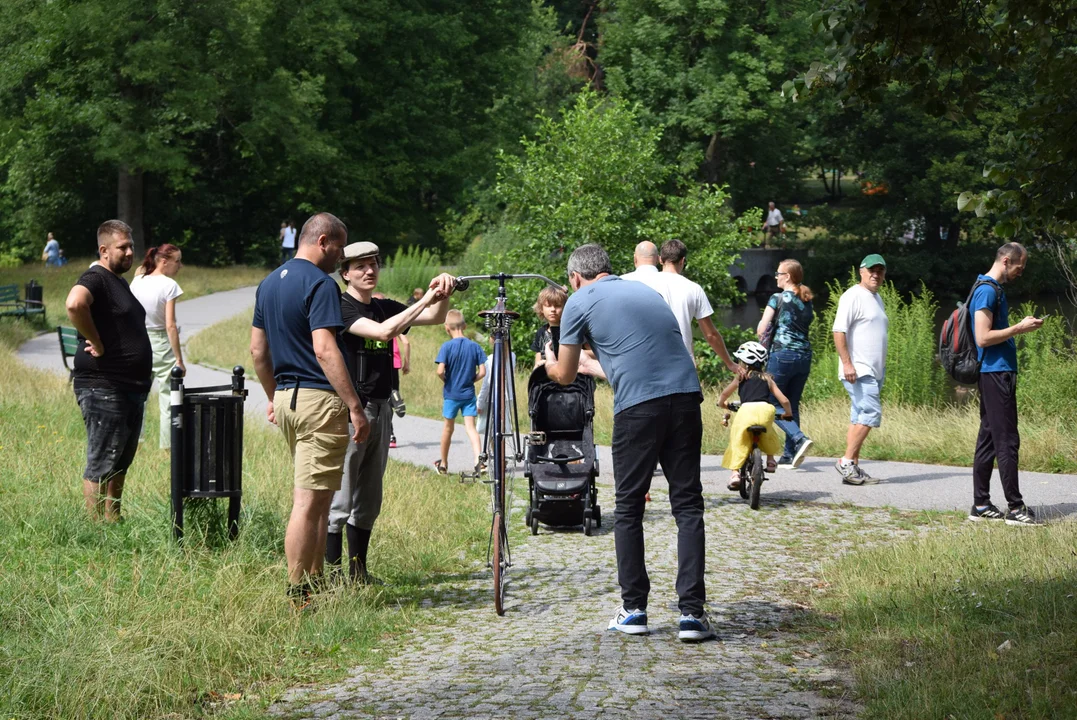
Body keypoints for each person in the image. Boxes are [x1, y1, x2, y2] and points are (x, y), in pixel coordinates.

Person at [544, 244, 715, 642]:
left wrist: (551, 363)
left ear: (574, 277)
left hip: (638, 410)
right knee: (687, 504)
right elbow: (640, 357)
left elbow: (566, 376)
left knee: (628, 507)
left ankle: (634, 609)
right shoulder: (647, 291)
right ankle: (691, 614)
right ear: (609, 269)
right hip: (686, 398)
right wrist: (597, 365)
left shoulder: (579, 300)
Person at [250, 212, 370, 607]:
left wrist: (273, 397)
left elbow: (258, 351)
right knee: (307, 502)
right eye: (339, 247)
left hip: (286, 398)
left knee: (319, 500)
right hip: (319, 400)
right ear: (322, 241)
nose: (341, 257)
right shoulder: (320, 284)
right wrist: (354, 405)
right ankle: (298, 592)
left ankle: (315, 584)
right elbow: (324, 348)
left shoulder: (268, 283)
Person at [326, 243, 454, 583]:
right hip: (353, 410)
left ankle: (359, 572)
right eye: (360, 266)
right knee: (340, 495)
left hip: (383, 409)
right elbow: (384, 333)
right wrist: (425, 298)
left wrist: (443, 290)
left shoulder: (383, 306)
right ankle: (333, 574)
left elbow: (434, 317)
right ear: (346, 273)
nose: (369, 271)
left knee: (369, 496)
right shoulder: (342, 307)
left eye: (373, 265)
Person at [64, 220, 152, 522]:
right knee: (102, 460)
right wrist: (97, 343)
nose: (130, 252)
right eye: (122, 247)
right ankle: (95, 525)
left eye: (131, 246)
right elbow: (75, 304)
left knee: (120, 461)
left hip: (128, 386)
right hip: (104, 385)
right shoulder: (96, 277)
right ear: (104, 250)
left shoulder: (117, 281)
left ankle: (113, 518)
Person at [968, 243, 1044, 526]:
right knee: (1007, 440)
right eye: (1019, 267)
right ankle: (1015, 506)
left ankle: (981, 503)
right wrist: (1018, 328)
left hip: (996, 373)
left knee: (988, 438)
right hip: (995, 374)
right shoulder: (987, 290)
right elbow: (982, 337)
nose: (1020, 273)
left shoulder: (990, 289)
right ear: (1005, 260)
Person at [621, 240, 741, 376]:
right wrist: (730, 363)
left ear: (660, 260)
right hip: (682, 363)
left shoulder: (643, 283)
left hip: (649, 361)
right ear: (683, 260)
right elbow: (711, 334)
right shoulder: (693, 288)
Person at [832, 253, 889, 485]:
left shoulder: (876, 297)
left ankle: (852, 467)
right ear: (861, 271)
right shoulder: (852, 296)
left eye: (880, 271)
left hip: (873, 370)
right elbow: (838, 331)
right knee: (871, 414)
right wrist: (847, 363)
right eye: (871, 270)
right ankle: (845, 462)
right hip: (858, 369)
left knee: (859, 416)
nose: (876, 274)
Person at [755, 259, 814, 468]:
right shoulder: (806, 299)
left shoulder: (777, 298)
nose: (776, 276)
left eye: (778, 273)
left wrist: (761, 334)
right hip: (804, 357)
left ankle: (799, 438)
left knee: (771, 403)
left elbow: (762, 328)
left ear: (787, 277)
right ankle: (789, 454)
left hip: (782, 356)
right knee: (792, 404)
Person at [130, 244, 186, 449]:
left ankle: (136, 441)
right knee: (168, 397)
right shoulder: (169, 285)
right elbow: (170, 325)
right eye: (177, 261)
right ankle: (167, 446)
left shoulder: (137, 281)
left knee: (138, 398)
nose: (180, 266)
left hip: (138, 341)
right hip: (161, 344)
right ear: (164, 261)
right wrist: (179, 359)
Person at [716, 342, 793, 488]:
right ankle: (770, 460)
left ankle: (735, 474)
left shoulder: (740, 378)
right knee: (769, 432)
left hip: (745, 411)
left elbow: (725, 394)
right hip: (766, 410)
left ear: (744, 362)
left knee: (737, 439)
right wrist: (787, 414)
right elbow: (784, 400)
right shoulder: (767, 378)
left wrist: (721, 403)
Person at [434, 310, 486, 474]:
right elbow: (483, 371)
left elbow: (439, 371)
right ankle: (479, 461)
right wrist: (471, 380)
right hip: (468, 394)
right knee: (471, 428)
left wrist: (447, 381)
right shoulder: (475, 346)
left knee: (448, 429)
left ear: (446, 327)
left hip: (451, 395)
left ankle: (443, 464)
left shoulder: (446, 346)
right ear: (464, 325)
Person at [530, 285, 567, 368]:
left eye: (557, 305)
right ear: (541, 309)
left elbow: (591, 352)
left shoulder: (571, 330)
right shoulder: (541, 332)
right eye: (548, 305)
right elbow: (538, 356)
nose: (553, 309)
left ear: (565, 308)